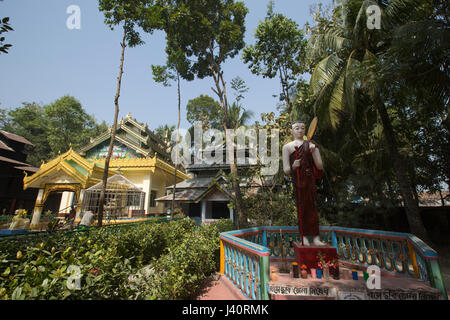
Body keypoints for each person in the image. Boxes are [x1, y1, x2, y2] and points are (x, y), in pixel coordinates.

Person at [282, 121, 325, 246]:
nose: (300, 130)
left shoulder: (311, 145)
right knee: (302, 208)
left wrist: (315, 151)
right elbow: (286, 170)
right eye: (296, 128)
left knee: (313, 207)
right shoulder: (287, 147)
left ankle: (316, 237)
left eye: (302, 128)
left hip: (310, 179)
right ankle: (304, 236)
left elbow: (320, 166)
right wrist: (293, 166)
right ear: (291, 131)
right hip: (299, 181)